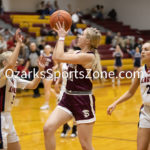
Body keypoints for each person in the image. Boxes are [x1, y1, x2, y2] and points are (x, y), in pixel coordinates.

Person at [43, 23, 102, 150]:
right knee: (48, 128)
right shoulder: (77, 52)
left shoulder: (89, 56)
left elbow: (59, 56)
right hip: (67, 98)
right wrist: (60, 37)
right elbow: (56, 57)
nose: (79, 36)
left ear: (87, 41)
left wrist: (61, 37)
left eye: (82, 34)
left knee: (85, 145)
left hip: (82, 100)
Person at [0, 29, 45, 150]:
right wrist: (19, 44)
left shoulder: (13, 77)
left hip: (8, 117)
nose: (16, 63)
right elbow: (10, 65)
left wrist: (40, 70)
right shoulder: (1, 75)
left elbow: (32, 85)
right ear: (4, 62)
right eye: (12, 61)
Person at [107, 42, 150, 150]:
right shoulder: (140, 71)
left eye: (146, 49)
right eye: (142, 50)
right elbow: (130, 92)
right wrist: (115, 103)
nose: (143, 52)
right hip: (146, 112)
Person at [55, 61, 77, 138]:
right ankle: (65, 126)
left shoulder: (77, 63)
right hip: (64, 90)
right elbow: (61, 76)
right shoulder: (62, 64)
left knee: (75, 110)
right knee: (61, 109)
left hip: (74, 90)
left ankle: (75, 128)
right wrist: (57, 82)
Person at [40, 45, 58, 110]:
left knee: (46, 89)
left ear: (50, 49)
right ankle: (58, 96)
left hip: (50, 74)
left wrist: (54, 68)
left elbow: (56, 65)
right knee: (48, 88)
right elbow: (39, 64)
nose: (47, 49)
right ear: (44, 49)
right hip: (44, 74)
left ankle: (46, 104)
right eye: (46, 48)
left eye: (48, 48)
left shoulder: (52, 56)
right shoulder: (42, 56)